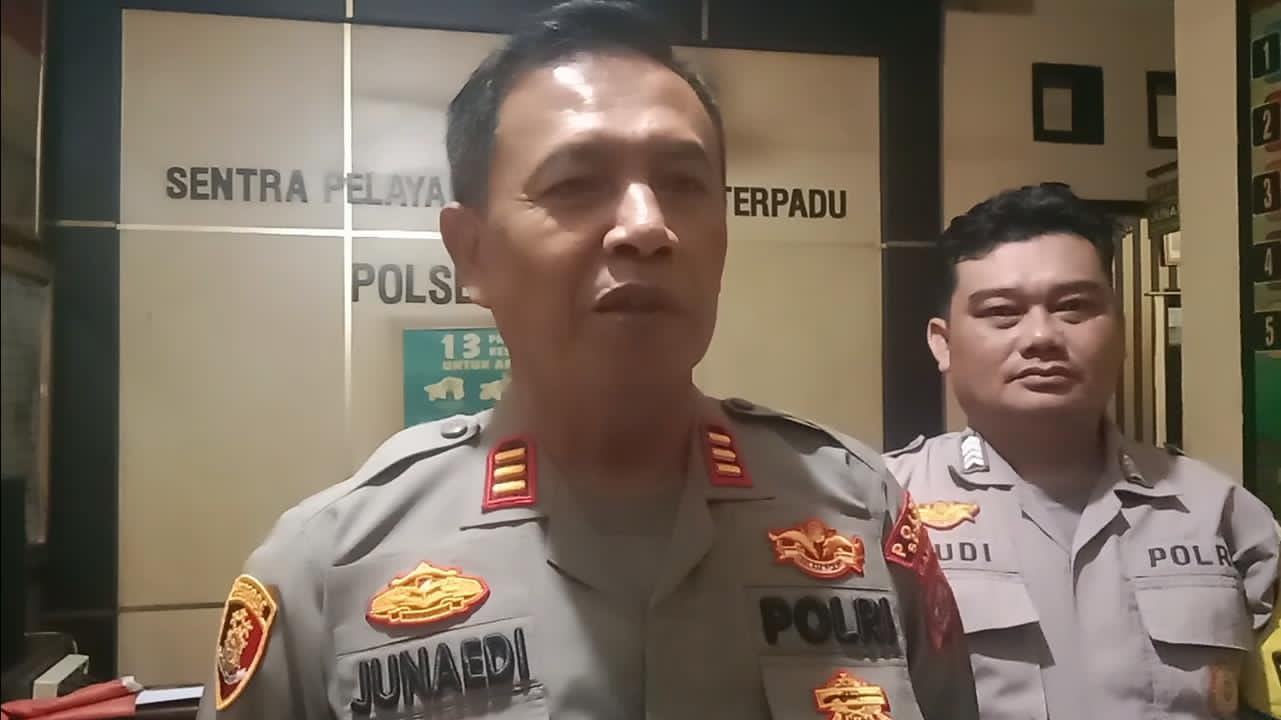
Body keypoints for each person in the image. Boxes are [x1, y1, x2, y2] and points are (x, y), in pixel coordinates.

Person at [196, 2, 979, 718]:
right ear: (471, 253)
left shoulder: (858, 513)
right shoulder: (328, 569)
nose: (646, 226)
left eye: (683, 183)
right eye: (575, 184)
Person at [884, 182, 1281, 720]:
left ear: (1119, 329)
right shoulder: (883, 507)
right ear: (943, 342)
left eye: (1073, 308)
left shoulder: (1221, 515)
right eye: (1002, 313)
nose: (1042, 337)